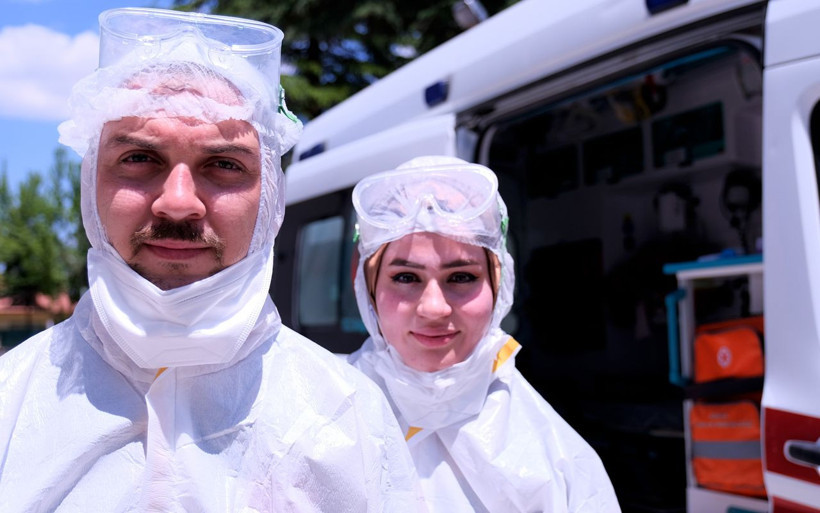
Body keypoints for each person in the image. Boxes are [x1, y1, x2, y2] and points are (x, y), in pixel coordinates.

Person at [0, 8, 424, 512]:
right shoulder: (11, 403)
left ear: (270, 196)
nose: (178, 202)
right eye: (139, 158)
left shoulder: (347, 418)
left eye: (223, 164)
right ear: (92, 179)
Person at [347, 155, 621, 512]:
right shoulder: (319, 417)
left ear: (498, 284)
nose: (434, 308)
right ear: (368, 289)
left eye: (461, 277)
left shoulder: (561, 460)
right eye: (405, 277)